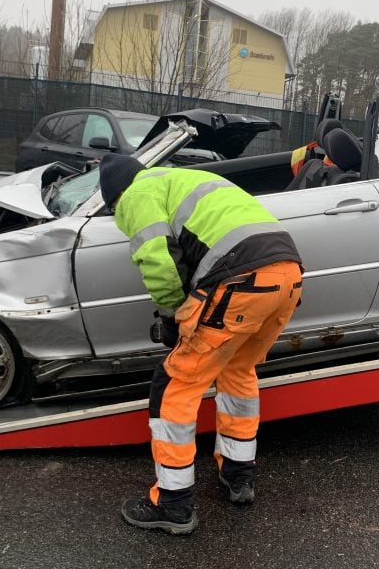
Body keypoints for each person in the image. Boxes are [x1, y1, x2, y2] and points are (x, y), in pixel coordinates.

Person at [99, 153, 303, 535]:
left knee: (176, 382)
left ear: (115, 197)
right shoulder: (181, 180)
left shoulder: (137, 193)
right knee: (237, 371)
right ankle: (238, 475)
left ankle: (173, 503)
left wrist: (174, 315)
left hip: (240, 280)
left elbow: (158, 259)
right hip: (287, 276)